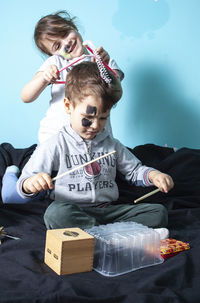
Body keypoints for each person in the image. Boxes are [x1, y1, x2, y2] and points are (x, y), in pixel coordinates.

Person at [16, 62, 174, 239]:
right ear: (68, 106)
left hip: (108, 211)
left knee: (158, 212)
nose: (96, 126)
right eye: (88, 118)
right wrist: (32, 183)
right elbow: (24, 183)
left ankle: (100, 233)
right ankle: (114, 235)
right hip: (72, 211)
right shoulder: (54, 144)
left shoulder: (112, 144)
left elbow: (134, 171)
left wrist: (154, 176)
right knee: (54, 214)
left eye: (103, 118)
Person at [1, 10, 124, 204]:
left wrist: (105, 65)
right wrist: (44, 77)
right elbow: (26, 96)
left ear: (74, 27)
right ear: (52, 53)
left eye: (66, 33)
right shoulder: (56, 63)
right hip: (57, 142)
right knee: (22, 196)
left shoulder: (97, 56)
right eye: (57, 45)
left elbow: (115, 87)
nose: (66, 43)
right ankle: (12, 173)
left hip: (91, 139)